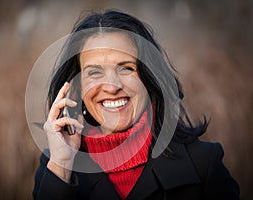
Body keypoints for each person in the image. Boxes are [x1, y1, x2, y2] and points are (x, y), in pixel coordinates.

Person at [33, 10, 240, 200]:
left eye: (126, 68)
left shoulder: (203, 162)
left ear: (150, 79)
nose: (112, 87)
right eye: (95, 72)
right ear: (77, 89)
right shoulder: (56, 168)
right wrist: (62, 166)